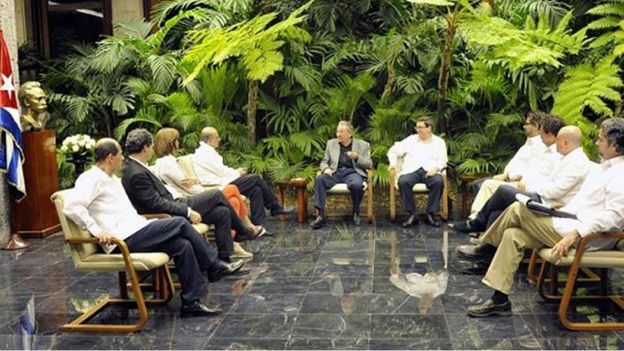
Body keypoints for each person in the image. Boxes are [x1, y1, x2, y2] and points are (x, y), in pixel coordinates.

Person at [459, 118, 624, 318]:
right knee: (513, 234)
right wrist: (552, 211)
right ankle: (499, 299)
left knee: (517, 209)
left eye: (600, 139)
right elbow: (580, 204)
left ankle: (485, 247)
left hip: (585, 237)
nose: (596, 143)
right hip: (567, 221)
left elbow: (615, 217)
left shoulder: (620, 174)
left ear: (614, 146)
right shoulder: (603, 168)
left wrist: (574, 234)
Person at [63, 138, 245, 317]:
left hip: (136, 229)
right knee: (180, 223)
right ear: (110, 157)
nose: (123, 159)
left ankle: (192, 302)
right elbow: (72, 206)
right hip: (123, 239)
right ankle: (214, 265)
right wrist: (97, 231)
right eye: (120, 155)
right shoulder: (91, 178)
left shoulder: (112, 179)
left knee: (183, 245)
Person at [121, 128, 261, 262]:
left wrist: (195, 182)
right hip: (175, 206)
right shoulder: (138, 172)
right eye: (151, 146)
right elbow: (156, 203)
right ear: (145, 148)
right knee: (217, 194)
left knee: (222, 212)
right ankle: (243, 230)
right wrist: (187, 211)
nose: (152, 149)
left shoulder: (140, 167)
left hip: (178, 200)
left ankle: (226, 257)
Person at [452, 117, 592, 234]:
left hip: (548, 203)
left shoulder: (577, 163)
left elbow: (556, 191)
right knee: (497, 212)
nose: (556, 145)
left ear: (566, 142)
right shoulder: (566, 158)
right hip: (540, 196)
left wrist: (528, 188)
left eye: (559, 141)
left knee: (503, 191)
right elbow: (547, 181)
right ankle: (486, 251)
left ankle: (478, 222)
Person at [191, 127, 293, 225]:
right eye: (217, 137)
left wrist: (236, 172)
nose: (219, 139)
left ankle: (259, 223)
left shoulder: (207, 151)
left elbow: (220, 170)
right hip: (217, 185)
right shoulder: (204, 154)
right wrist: (238, 172)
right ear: (209, 140)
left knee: (255, 189)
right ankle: (274, 206)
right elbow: (221, 171)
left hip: (223, 181)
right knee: (255, 178)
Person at [468, 111, 547, 216]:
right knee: (476, 184)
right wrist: (505, 174)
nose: (524, 126)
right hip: (507, 177)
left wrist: (508, 176)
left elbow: (531, 169)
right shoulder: (528, 143)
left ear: (536, 126)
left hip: (519, 183)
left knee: (484, 184)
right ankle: (480, 218)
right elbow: (516, 162)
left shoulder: (539, 145)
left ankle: (476, 218)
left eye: (527, 124)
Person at [310, 121, 374, 229]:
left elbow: (369, 164)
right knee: (319, 179)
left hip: (353, 172)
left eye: (341, 132)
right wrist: (325, 168)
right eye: (337, 131)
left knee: (357, 185)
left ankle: (355, 212)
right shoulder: (331, 144)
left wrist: (357, 157)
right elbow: (324, 161)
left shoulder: (363, 145)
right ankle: (320, 215)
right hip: (335, 172)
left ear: (349, 134)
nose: (337, 134)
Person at [387, 117, 447, 228]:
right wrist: (393, 164)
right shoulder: (411, 140)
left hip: (430, 170)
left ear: (429, 128)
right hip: (412, 170)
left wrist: (436, 169)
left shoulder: (439, 142)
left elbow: (443, 160)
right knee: (403, 181)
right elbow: (393, 151)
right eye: (417, 127)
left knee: (438, 182)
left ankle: (430, 214)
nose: (418, 130)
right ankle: (412, 214)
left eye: (420, 127)